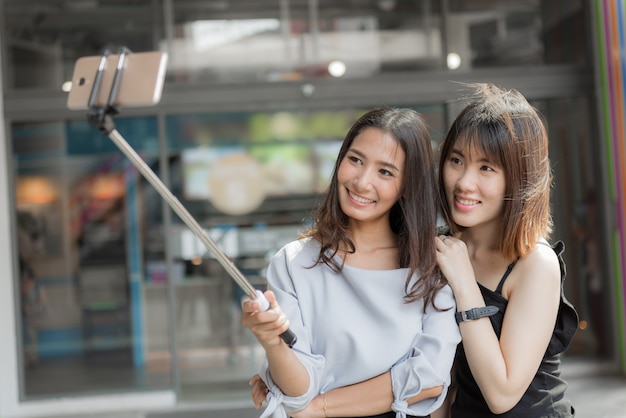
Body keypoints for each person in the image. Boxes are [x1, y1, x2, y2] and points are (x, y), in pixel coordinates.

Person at [241, 107, 461, 418]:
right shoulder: (293, 263)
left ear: (407, 187)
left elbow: (430, 379)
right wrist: (272, 343)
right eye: (355, 160)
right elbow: (298, 390)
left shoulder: (431, 268)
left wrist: (320, 406)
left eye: (385, 172)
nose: (361, 181)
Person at [433, 83, 579, 417]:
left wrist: (464, 283)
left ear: (519, 178)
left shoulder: (534, 264)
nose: (464, 182)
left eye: (486, 167)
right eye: (456, 160)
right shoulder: (444, 249)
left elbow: (502, 394)